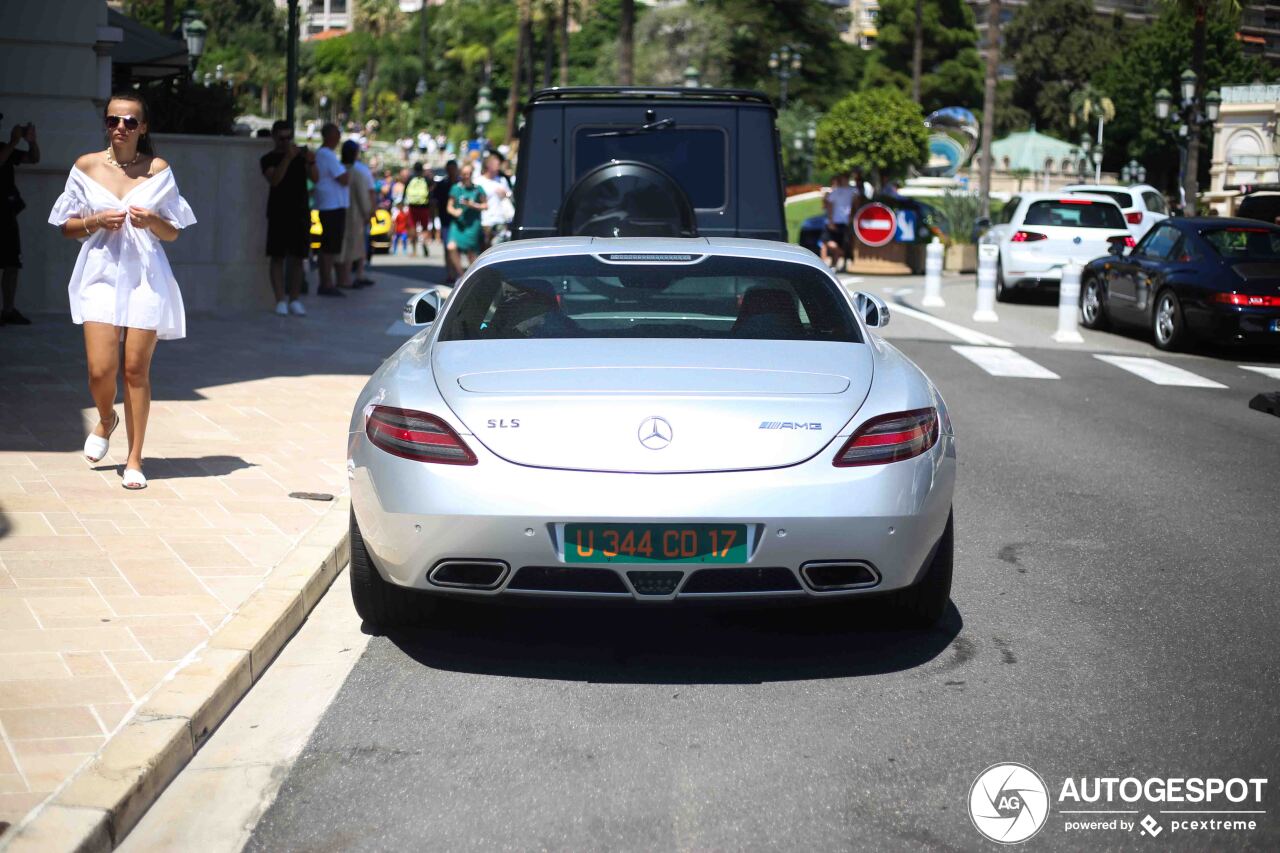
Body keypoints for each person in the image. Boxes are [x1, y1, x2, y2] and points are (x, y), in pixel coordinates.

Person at [47, 92, 196, 491]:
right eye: (114, 120)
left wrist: (151, 222)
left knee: (135, 369)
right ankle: (106, 417)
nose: (121, 128)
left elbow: (174, 231)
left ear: (142, 127)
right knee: (100, 370)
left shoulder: (158, 169)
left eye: (130, 121)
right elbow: (65, 226)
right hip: (99, 273)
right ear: (107, 123)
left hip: (146, 276)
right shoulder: (86, 166)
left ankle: (134, 457)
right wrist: (95, 219)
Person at [260, 119, 316, 317]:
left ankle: (295, 299)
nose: (285, 142)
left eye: (288, 137)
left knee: (298, 258)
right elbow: (274, 180)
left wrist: (310, 160)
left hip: (300, 213)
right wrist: (287, 159)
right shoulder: (268, 159)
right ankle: (280, 300)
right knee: (277, 257)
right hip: (278, 213)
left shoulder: (301, 158)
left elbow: (315, 178)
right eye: (282, 137)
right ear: (275, 137)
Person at [1, 117, 39, 325]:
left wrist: (32, 141)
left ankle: (8, 309)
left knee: (11, 263)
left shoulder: (4, 147)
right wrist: (13, 142)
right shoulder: (6, 147)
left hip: (6, 214)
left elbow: (34, 159)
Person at [313, 123, 350, 297]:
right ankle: (326, 282)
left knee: (329, 247)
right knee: (328, 248)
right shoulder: (326, 154)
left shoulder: (324, 154)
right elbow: (343, 178)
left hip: (331, 205)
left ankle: (326, 281)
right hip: (331, 206)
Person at [340, 140, 375, 288]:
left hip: (341, 212)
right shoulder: (357, 172)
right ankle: (346, 278)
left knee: (345, 247)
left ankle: (347, 277)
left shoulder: (340, 169)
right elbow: (363, 196)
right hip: (354, 215)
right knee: (352, 247)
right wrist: (368, 213)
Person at [446, 162, 487, 275]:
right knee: (451, 246)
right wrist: (455, 212)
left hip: (472, 223)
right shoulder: (456, 188)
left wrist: (473, 205)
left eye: (469, 173)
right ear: (461, 174)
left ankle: (472, 276)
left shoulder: (478, 189)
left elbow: (485, 205)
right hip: (459, 223)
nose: (466, 176)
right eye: (464, 173)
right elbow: (449, 207)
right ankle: (461, 274)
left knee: (471, 254)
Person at [476, 152, 513, 248]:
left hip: (499, 220)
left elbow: (510, 196)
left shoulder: (502, 180)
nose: (498, 167)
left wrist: (505, 194)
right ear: (489, 165)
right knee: (484, 248)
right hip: (484, 220)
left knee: (496, 247)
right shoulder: (478, 182)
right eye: (496, 164)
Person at [432, 159, 460, 282]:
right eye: (450, 169)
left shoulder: (461, 184)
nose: (452, 171)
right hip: (446, 220)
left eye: (454, 169)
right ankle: (450, 273)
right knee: (448, 247)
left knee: (457, 247)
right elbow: (434, 202)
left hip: (460, 221)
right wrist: (433, 220)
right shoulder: (442, 184)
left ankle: (458, 271)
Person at [821, 173, 855, 273]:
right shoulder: (835, 191)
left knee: (845, 243)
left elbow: (855, 205)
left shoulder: (852, 191)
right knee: (829, 242)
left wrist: (852, 216)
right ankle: (841, 256)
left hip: (846, 221)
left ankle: (840, 263)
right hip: (836, 220)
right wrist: (831, 220)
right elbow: (829, 206)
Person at [403, 162, 432, 257]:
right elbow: (432, 188)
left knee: (412, 228)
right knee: (424, 228)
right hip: (424, 207)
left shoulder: (410, 178)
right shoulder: (426, 178)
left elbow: (405, 191)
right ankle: (423, 242)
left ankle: (414, 251)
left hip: (412, 207)